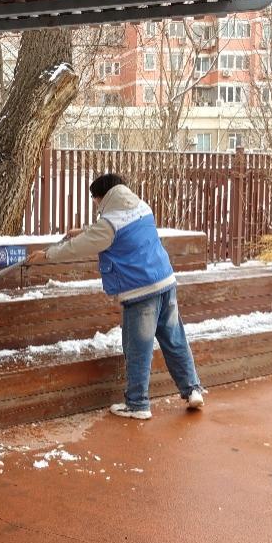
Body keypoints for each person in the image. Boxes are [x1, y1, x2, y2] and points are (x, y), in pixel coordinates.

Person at [26, 173, 205, 419]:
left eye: (95, 198)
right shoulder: (141, 207)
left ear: (104, 196)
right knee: (175, 340)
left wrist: (46, 255)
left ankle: (138, 404)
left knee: (138, 349)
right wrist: (84, 230)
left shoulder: (108, 224)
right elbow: (111, 230)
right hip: (165, 283)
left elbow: (81, 245)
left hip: (140, 292)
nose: (95, 203)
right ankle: (192, 389)